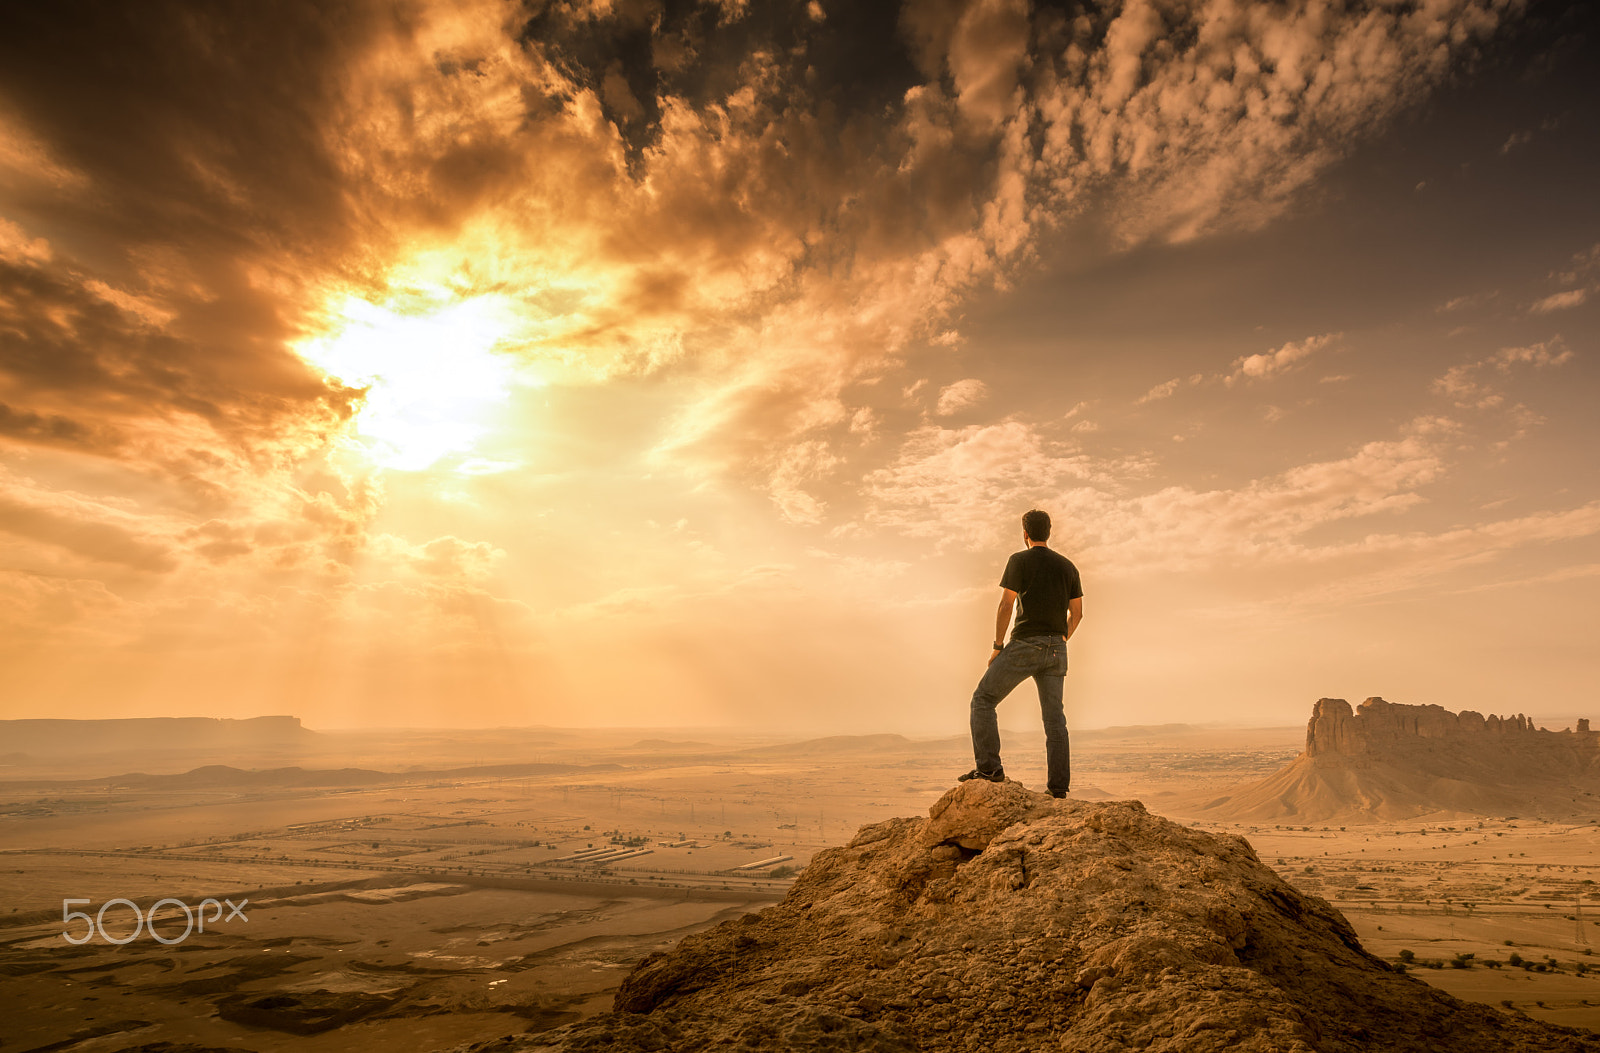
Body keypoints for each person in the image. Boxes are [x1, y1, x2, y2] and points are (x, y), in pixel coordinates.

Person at [958, 509, 1083, 798]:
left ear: (1024, 533)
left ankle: (989, 770)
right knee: (1055, 721)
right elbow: (1077, 614)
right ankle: (1058, 789)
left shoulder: (1019, 560)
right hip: (1056, 649)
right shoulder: (1068, 567)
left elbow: (1005, 605)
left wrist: (997, 646)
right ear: (1049, 532)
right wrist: (1059, 640)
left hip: (1025, 644)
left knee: (983, 700)